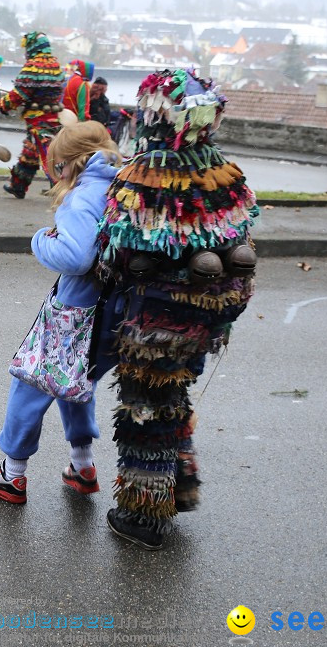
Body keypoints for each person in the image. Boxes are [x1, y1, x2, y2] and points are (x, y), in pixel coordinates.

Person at [97, 69, 257, 550]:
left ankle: (144, 515)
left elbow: (113, 255)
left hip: (154, 323)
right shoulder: (226, 176)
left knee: (145, 410)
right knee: (173, 396)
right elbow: (241, 244)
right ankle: (179, 488)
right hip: (208, 318)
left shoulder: (141, 178)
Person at [0, 121, 121, 504]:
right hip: (111, 306)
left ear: (70, 161)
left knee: (31, 381)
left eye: (58, 165)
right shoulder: (119, 182)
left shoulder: (83, 195)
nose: (57, 173)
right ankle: (82, 464)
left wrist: (41, 239)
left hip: (76, 307)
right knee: (76, 381)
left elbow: (75, 256)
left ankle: (11, 474)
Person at [0, 32, 67, 198]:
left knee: (48, 155)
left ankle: (61, 189)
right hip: (53, 117)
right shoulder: (56, 65)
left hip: (38, 120)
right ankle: (18, 186)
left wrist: (4, 104)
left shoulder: (33, 66)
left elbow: (19, 94)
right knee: (31, 153)